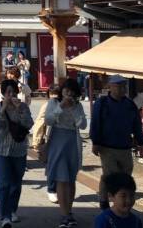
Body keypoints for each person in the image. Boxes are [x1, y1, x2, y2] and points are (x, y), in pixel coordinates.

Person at [90, 75, 143, 210]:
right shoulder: (102, 103)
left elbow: (137, 124)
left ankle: (119, 200)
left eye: (124, 86)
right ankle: (107, 202)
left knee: (125, 176)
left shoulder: (130, 105)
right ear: (110, 87)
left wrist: (140, 143)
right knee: (112, 176)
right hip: (106, 147)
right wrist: (95, 141)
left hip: (125, 147)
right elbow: (95, 123)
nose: (122, 89)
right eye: (118, 86)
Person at [0, 79, 34, 228]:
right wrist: (3, 109)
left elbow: (28, 124)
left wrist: (19, 110)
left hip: (18, 150)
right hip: (0, 150)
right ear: (3, 94)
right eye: (8, 93)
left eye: (13, 92)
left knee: (16, 183)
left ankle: (13, 209)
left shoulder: (23, 107)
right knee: (3, 184)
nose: (11, 95)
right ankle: (5, 216)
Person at [45, 78, 87, 228]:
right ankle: (64, 215)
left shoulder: (78, 106)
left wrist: (74, 111)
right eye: (66, 90)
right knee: (61, 178)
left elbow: (83, 125)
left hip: (72, 142)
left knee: (70, 178)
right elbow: (48, 121)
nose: (68, 93)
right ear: (61, 91)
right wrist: (61, 107)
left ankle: (69, 212)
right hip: (57, 140)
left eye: (71, 91)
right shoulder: (53, 103)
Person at [32, 86, 60, 204]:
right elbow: (40, 123)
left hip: (65, 139)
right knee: (52, 165)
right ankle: (51, 189)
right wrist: (37, 141)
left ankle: (59, 189)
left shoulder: (68, 105)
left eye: (56, 95)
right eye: (52, 95)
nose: (54, 98)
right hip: (51, 139)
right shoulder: (47, 106)